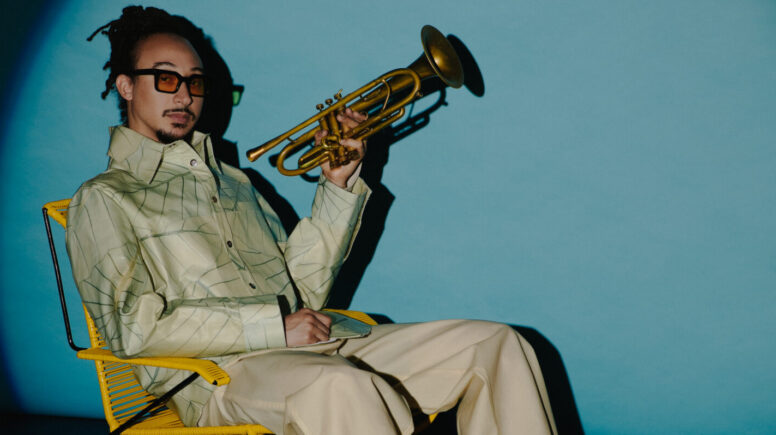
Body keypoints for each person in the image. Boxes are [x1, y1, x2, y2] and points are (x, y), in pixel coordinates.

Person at [67, 6, 557, 434]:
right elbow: (130, 329)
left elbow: (304, 292)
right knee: (342, 387)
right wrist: (274, 328)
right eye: (166, 78)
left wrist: (337, 185)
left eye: (195, 82)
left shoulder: (235, 183)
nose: (184, 95)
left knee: (498, 345)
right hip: (219, 376)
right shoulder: (105, 197)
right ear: (126, 85)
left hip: (316, 348)